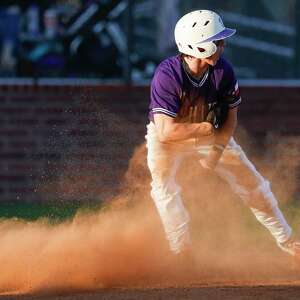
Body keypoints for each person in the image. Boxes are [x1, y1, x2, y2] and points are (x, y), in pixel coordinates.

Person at [145, 9, 300, 258]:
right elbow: (166, 132)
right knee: (163, 187)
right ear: (200, 47)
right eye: (217, 41)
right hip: (171, 137)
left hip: (211, 137)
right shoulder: (168, 75)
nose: (223, 44)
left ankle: (289, 242)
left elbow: (230, 119)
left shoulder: (222, 71)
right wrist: (204, 129)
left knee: (254, 185)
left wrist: (215, 150)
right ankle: (181, 252)